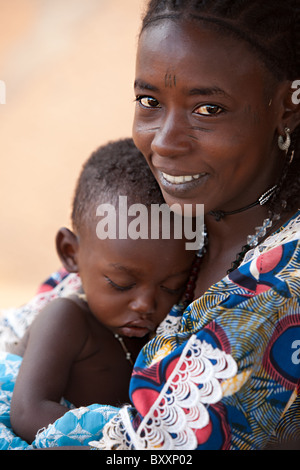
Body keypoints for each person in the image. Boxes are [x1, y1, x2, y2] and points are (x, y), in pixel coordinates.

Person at [87, 0, 300, 450]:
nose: (163, 143)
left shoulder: (282, 293)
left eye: (207, 110)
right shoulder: (162, 209)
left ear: (288, 106)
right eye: (150, 102)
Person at [1, 138, 197, 445]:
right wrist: (124, 441)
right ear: (70, 254)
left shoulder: (166, 329)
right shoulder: (66, 319)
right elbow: (27, 413)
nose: (146, 304)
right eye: (121, 283)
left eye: (171, 286)